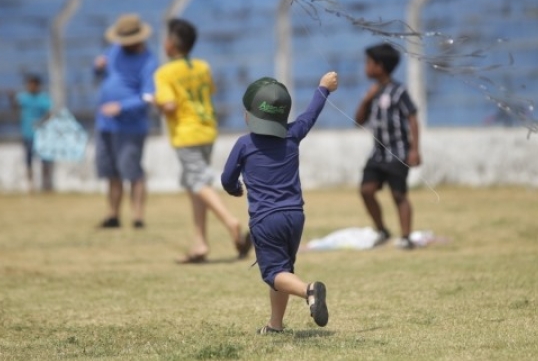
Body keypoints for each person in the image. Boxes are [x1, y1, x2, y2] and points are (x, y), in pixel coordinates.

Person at [221, 72, 339, 334]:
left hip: (266, 220)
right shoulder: (293, 134)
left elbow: (227, 179)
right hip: (295, 216)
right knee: (284, 271)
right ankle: (275, 325)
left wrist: (235, 189)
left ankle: (309, 290)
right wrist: (323, 88)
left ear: (249, 115)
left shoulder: (244, 144)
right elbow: (310, 114)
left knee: (274, 273)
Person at [155, 18, 250, 264]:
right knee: (193, 185)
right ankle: (200, 243)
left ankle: (231, 223)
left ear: (171, 44)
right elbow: (209, 91)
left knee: (198, 183)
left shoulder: (164, 73)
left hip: (186, 133)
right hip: (207, 128)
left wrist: (157, 103)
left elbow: (169, 105)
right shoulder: (202, 66)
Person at [93, 13, 159, 229]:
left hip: (131, 126)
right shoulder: (114, 51)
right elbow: (100, 72)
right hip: (105, 123)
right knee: (111, 171)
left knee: (132, 171)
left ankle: (138, 217)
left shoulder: (149, 62)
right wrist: (97, 67)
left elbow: (148, 97)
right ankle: (112, 215)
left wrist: (121, 107)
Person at [354, 43, 421, 250]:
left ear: (380, 66)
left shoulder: (399, 91)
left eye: (369, 63)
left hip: (397, 153)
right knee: (366, 190)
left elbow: (412, 118)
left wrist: (414, 149)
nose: (366, 67)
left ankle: (406, 237)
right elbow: (359, 121)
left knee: (399, 194)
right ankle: (382, 230)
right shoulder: (372, 93)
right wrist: (366, 100)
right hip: (378, 154)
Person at [9, 74, 53, 193]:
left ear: (38, 85)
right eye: (29, 84)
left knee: (45, 161)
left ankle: (46, 184)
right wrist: (11, 99)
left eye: (33, 84)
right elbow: (14, 107)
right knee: (29, 160)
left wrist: (42, 122)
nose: (31, 87)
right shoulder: (23, 97)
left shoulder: (43, 98)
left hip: (41, 135)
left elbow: (50, 113)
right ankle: (30, 184)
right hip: (27, 134)